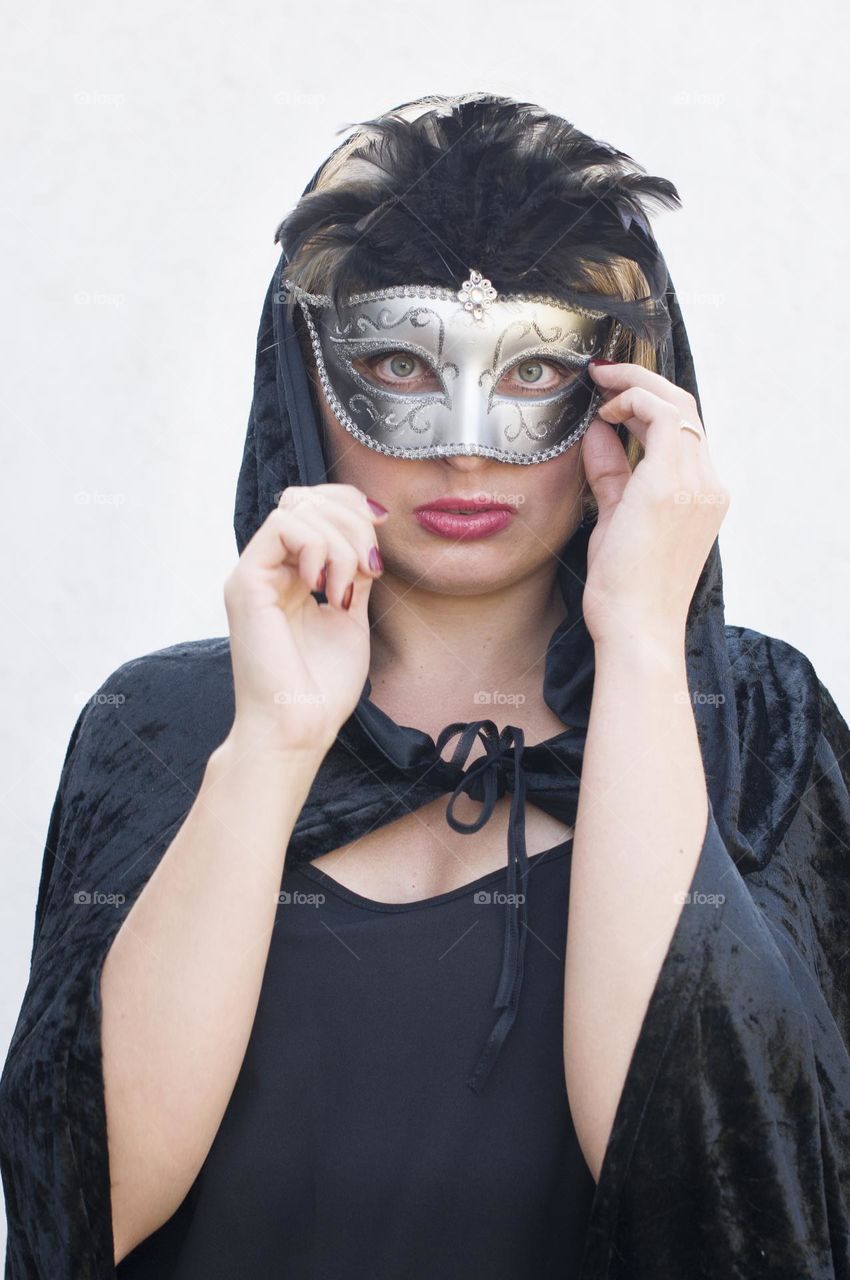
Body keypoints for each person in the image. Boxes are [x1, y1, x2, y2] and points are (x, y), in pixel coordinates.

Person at [1, 91, 849, 1280]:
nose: (462, 445)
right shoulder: (157, 733)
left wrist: (645, 638)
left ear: (623, 388)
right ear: (304, 382)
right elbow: (84, 1205)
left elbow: (711, 1198)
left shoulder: (749, 724)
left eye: (534, 369)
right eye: (398, 361)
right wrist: (275, 742)